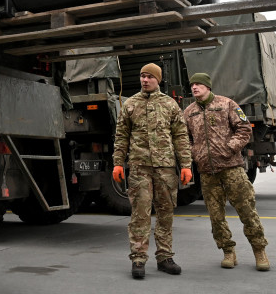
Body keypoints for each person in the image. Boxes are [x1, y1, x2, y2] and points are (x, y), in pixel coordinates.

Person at [112, 63, 192, 279]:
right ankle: (138, 259)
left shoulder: (170, 105)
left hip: (165, 168)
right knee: (140, 214)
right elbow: (121, 136)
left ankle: (165, 257)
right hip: (139, 168)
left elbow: (181, 137)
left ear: (158, 80)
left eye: (149, 77)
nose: (145, 80)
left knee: (166, 213)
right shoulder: (130, 105)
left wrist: (186, 165)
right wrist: (118, 162)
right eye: (142, 76)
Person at [183, 72, 270, 271]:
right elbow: (184, 138)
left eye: (198, 84)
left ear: (208, 86)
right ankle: (228, 252)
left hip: (232, 169)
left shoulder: (227, 104)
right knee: (216, 216)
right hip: (207, 172)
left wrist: (230, 147)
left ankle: (259, 251)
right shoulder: (188, 112)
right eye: (192, 84)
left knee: (247, 210)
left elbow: (244, 128)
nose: (194, 87)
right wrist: (194, 153)